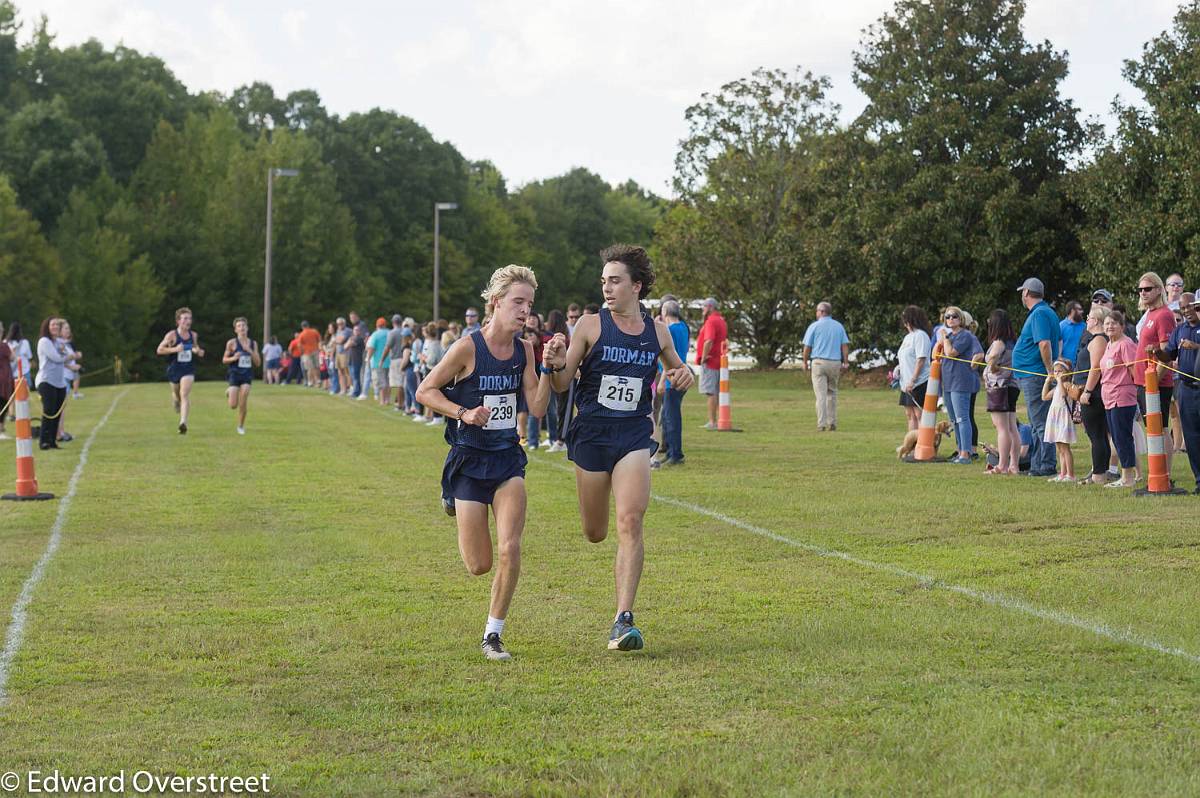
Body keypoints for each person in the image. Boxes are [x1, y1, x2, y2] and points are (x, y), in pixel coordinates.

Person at [543, 244, 694, 652]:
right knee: (596, 532)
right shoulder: (590, 326)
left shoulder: (657, 331)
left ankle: (622, 619)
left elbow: (678, 367)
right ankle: (617, 600)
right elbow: (560, 385)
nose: (607, 288)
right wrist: (555, 363)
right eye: (604, 281)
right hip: (591, 434)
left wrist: (685, 374)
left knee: (631, 520)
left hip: (632, 433)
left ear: (636, 286)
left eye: (615, 280)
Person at [415, 265, 553, 661]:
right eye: (518, 302)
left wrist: (548, 367)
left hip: (508, 461)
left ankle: (493, 634)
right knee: (479, 565)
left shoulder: (526, 350)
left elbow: (539, 406)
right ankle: (452, 498)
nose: (525, 310)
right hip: (469, 460)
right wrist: (463, 412)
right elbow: (426, 390)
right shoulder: (467, 348)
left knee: (511, 548)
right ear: (495, 303)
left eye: (529, 303)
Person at [1013, 278, 1060, 476]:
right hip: (1033, 374)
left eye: (1022, 292)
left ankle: (1046, 465)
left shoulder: (1040, 313)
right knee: (1036, 422)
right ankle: (1036, 464)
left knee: (1040, 422)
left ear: (1026, 293)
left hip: (1036, 375)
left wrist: (1050, 371)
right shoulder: (1044, 312)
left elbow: (1044, 344)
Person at [1136, 272, 1177, 479]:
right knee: (1152, 428)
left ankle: (1165, 473)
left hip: (1157, 383)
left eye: (1147, 289)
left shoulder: (1164, 315)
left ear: (1159, 289)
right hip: (1144, 382)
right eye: (1141, 289)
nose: (1143, 293)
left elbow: (1166, 356)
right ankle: (1157, 472)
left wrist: (1152, 383)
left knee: (1160, 428)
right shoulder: (1150, 314)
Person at [1162, 293, 1200, 492]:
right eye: (1183, 308)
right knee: (1192, 438)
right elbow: (1169, 354)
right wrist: (1156, 352)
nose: (1187, 311)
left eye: (1190, 307)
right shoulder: (1179, 330)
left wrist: (1196, 346)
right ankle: (1199, 481)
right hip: (1185, 389)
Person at [937, 306, 983, 463]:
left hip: (961, 383)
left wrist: (945, 339)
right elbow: (937, 354)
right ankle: (959, 450)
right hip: (948, 383)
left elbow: (950, 353)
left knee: (962, 418)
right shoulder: (949, 336)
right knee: (954, 420)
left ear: (961, 319)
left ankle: (966, 453)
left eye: (954, 316)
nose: (950, 319)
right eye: (948, 317)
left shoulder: (965, 335)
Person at [1100, 311, 1139, 488]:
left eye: (1114, 323)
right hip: (1109, 397)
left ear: (1122, 326)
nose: (1110, 326)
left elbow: (1134, 371)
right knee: (1116, 438)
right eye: (1107, 323)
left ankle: (1128, 478)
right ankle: (1125, 475)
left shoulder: (1126, 344)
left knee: (1123, 438)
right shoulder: (1109, 344)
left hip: (1122, 397)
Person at [1076, 307, 1113, 484]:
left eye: (1089, 318)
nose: (1086, 321)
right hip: (1093, 392)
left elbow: (1095, 368)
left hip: (1094, 394)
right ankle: (1100, 472)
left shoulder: (1099, 340)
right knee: (1098, 435)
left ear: (1096, 321)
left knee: (1096, 435)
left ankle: (1099, 474)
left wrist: (1087, 391)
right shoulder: (1095, 339)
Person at [802, 302, 851, 432]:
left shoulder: (814, 326)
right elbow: (844, 345)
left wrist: (805, 362)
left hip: (819, 363)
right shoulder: (839, 326)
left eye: (817, 311)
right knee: (832, 393)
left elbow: (807, 347)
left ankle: (821, 423)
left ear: (822, 312)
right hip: (835, 363)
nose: (816, 313)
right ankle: (832, 422)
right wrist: (845, 361)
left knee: (820, 395)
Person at [156, 307, 205, 434]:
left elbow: (195, 347)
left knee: (184, 394)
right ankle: (175, 400)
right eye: (185, 318)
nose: (188, 321)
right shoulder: (172, 335)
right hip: (174, 369)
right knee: (178, 395)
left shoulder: (193, 335)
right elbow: (159, 350)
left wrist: (198, 351)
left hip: (188, 369)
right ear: (178, 321)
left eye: (189, 318)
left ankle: (183, 423)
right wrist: (175, 349)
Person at [983, 310, 1020, 475]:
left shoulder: (998, 343)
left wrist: (991, 365)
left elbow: (992, 360)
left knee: (1002, 428)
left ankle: (1002, 466)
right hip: (1012, 386)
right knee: (1012, 427)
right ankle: (1014, 465)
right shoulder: (1014, 342)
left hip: (999, 387)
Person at [34, 318, 77, 450]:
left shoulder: (58, 341)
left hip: (59, 382)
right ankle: (44, 441)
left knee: (57, 412)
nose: (55, 327)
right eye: (52, 324)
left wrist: (66, 353)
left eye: (57, 325)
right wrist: (67, 356)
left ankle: (53, 441)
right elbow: (57, 358)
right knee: (49, 411)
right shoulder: (44, 341)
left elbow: (71, 353)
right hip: (46, 381)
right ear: (47, 326)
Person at [657, 299, 690, 467]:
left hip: (672, 379)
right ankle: (671, 451)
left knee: (671, 419)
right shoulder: (684, 327)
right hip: (682, 376)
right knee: (669, 416)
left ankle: (675, 454)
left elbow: (666, 361)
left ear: (665, 312)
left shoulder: (669, 331)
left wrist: (662, 382)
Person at [221, 317, 261, 435]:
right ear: (235, 330)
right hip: (234, 374)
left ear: (247, 328)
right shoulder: (231, 343)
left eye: (244, 325)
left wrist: (250, 350)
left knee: (243, 399)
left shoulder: (253, 344)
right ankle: (229, 391)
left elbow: (258, 363)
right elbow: (224, 360)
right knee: (233, 405)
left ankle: (240, 426)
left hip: (247, 375)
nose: (242, 328)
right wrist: (234, 358)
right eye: (239, 326)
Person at [694, 298, 727, 431]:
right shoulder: (721, 320)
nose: (702, 309)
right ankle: (717, 419)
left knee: (710, 392)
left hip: (710, 361)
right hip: (719, 361)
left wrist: (703, 357)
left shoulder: (711, 321)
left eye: (704, 307)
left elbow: (709, 340)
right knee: (715, 391)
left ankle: (712, 421)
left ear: (710, 307)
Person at [897, 306, 932, 432]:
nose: (904, 323)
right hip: (905, 383)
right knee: (910, 415)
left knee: (919, 414)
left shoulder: (921, 336)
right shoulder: (908, 337)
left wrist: (913, 379)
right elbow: (904, 356)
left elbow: (921, 359)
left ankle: (922, 446)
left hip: (919, 382)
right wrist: (898, 369)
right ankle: (911, 446)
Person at [1041, 359, 1077, 482]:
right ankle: (1062, 473)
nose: (1057, 374)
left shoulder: (1066, 385)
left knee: (1065, 448)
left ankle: (1070, 475)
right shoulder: (1057, 387)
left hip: (1063, 417)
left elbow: (1063, 395)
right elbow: (1044, 397)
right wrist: (1047, 382)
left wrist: (1059, 381)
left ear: (1066, 372)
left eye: (1060, 371)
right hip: (1054, 417)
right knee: (1059, 448)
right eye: (1055, 371)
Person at [543, 309, 570, 452]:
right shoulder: (563, 337)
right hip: (557, 372)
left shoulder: (559, 338)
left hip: (562, 372)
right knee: (559, 408)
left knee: (562, 408)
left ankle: (561, 439)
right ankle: (557, 438)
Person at [366, 317, 391, 407]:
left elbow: (371, 348)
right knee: (388, 381)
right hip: (390, 361)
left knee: (381, 382)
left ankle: (382, 400)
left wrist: (368, 358)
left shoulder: (375, 335)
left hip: (378, 362)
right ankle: (388, 400)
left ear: (377, 325)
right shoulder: (389, 333)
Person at [5, 321, 32, 392]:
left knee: (11, 396)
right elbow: (29, 357)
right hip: (24, 372)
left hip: (10, 373)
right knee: (24, 395)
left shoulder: (5, 343)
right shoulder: (25, 342)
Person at [1058, 301, 1085, 367]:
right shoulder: (1061, 326)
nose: (1082, 312)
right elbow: (1056, 347)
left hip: (1081, 367)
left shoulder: (1085, 327)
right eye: (1079, 309)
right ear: (1072, 311)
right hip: (1064, 367)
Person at [297, 321, 320, 388]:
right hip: (315, 350)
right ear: (308, 325)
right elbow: (319, 340)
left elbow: (299, 345)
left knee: (309, 368)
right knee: (316, 366)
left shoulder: (301, 334)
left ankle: (310, 382)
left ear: (302, 327)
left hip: (306, 353)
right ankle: (318, 380)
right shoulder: (314, 331)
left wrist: (302, 353)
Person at [0, 322, 13, 440]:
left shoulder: (4, 345)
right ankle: (1, 430)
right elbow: (12, 357)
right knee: (2, 404)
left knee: (4, 403)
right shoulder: (4, 346)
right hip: (3, 379)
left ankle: (2, 429)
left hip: (5, 379)